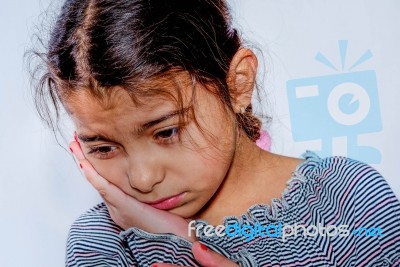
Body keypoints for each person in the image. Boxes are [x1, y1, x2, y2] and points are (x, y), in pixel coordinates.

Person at [30, 0, 400, 266]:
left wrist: (181, 238)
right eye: (104, 148)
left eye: (167, 131)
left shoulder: (346, 202)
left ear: (237, 83)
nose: (142, 178)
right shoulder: (100, 243)